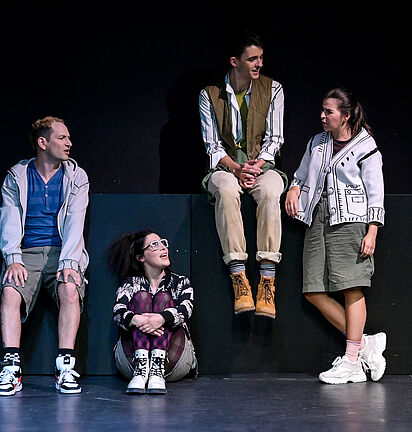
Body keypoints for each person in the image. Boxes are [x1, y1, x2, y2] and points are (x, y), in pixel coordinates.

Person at [285, 88, 387, 384]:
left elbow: (375, 192)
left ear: (346, 115)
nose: (322, 116)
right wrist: (293, 187)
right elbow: (301, 175)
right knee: (313, 289)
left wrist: (372, 231)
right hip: (317, 218)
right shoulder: (317, 142)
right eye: (322, 110)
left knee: (351, 286)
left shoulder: (366, 146)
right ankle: (366, 344)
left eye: (328, 112)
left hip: (352, 220)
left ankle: (353, 359)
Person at [199, 29, 287, 319]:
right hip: (226, 166)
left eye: (261, 58)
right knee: (224, 189)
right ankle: (239, 278)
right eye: (252, 59)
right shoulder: (209, 95)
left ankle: (267, 280)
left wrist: (255, 167)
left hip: (263, 166)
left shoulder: (273, 89)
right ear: (235, 61)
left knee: (272, 192)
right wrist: (237, 168)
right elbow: (212, 145)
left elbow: (275, 139)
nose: (259, 64)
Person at [0, 116, 89, 395]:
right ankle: (11, 367)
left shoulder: (76, 176)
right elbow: (10, 218)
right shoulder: (17, 176)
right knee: (10, 292)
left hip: (62, 252)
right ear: (43, 142)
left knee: (70, 289)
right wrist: (12, 257)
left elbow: (76, 222)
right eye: (62, 138)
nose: (69, 143)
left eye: (69, 138)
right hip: (26, 253)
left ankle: (65, 365)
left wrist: (69, 263)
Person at [110, 230, 197, 395]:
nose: (163, 248)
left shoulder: (181, 282)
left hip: (173, 362)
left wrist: (161, 319)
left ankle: (157, 368)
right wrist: (138, 320)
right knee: (142, 297)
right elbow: (118, 311)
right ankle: (142, 369)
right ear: (140, 257)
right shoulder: (131, 283)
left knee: (163, 298)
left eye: (163, 243)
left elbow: (186, 309)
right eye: (155, 245)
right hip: (132, 364)